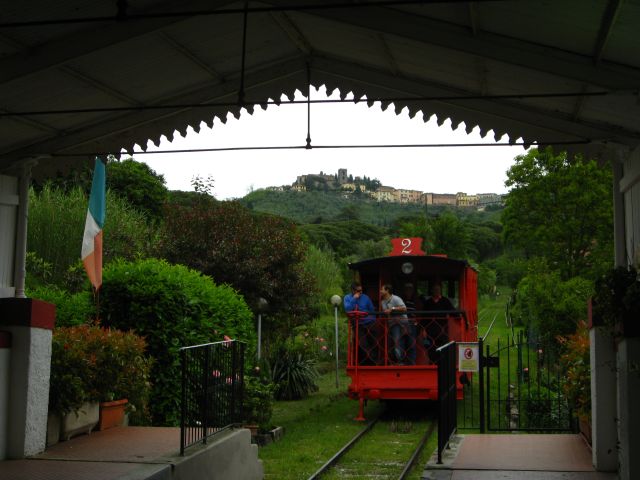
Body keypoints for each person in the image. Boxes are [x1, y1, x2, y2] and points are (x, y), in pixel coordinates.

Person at [344, 282, 377, 365]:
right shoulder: (347, 298)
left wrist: (372, 320)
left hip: (369, 322)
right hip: (357, 324)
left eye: (361, 290)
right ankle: (368, 361)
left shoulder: (366, 297)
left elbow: (372, 310)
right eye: (358, 291)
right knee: (362, 343)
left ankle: (374, 361)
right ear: (353, 290)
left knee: (373, 341)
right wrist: (354, 299)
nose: (360, 292)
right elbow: (348, 309)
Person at [420, 282, 455, 363]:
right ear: (432, 291)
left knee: (443, 347)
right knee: (431, 349)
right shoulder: (428, 302)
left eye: (438, 290)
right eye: (435, 290)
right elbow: (424, 317)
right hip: (430, 330)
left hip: (442, 329)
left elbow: (453, 311)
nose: (437, 291)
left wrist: (460, 313)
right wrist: (423, 330)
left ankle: (443, 364)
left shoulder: (445, 301)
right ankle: (433, 364)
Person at [380, 284, 413, 365]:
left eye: (382, 289)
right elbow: (386, 313)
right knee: (394, 342)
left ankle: (403, 362)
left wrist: (392, 309)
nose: (380, 291)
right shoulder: (383, 302)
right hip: (392, 324)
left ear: (387, 290)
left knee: (403, 342)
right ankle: (397, 361)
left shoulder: (396, 298)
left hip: (402, 323)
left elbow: (404, 308)